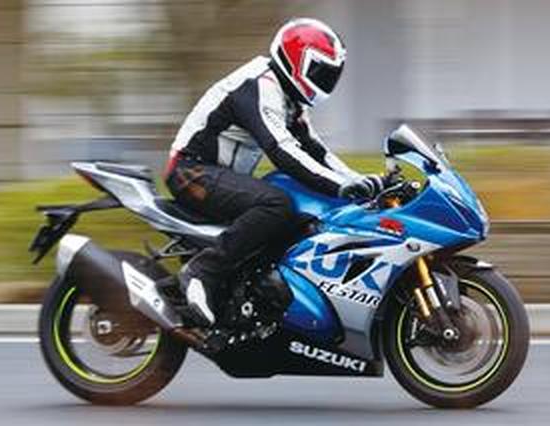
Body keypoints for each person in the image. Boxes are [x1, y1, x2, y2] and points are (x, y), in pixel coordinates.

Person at [164, 18, 392, 326]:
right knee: (277, 203)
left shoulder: (289, 99)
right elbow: (282, 151)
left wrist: (360, 181)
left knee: (301, 214)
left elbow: (316, 150)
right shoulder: (259, 86)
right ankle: (201, 271)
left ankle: (253, 296)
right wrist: (340, 186)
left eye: (331, 75)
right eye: (320, 72)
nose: (325, 80)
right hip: (191, 173)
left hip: (218, 176)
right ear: (295, 61)